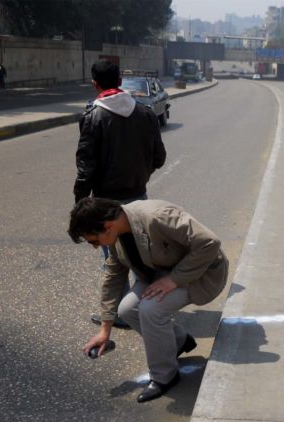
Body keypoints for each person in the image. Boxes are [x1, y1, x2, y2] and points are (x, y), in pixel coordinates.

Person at [68, 197, 229, 402]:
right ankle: (178, 342)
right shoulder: (117, 232)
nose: (94, 247)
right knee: (127, 309)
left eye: (93, 241)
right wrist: (104, 330)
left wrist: (174, 279)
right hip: (160, 273)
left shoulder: (156, 217)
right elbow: (113, 277)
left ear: (107, 227)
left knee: (150, 309)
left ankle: (165, 376)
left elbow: (209, 242)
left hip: (199, 273)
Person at [75, 59, 167, 329]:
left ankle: (118, 312)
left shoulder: (93, 116)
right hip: (139, 197)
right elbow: (159, 157)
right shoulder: (146, 113)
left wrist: (81, 204)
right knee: (140, 254)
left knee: (113, 260)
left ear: (94, 83)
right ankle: (145, 305)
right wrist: (141, 174)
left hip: (105, 202)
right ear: (120, 81)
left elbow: (85, 168)